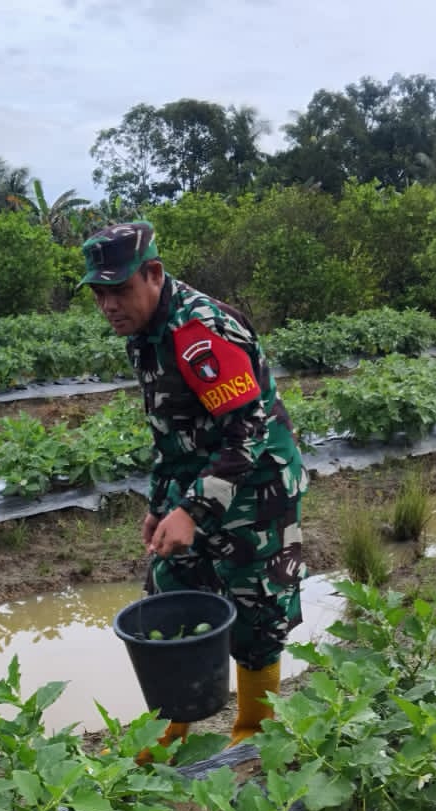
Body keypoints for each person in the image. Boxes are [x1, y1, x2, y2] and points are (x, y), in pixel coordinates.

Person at [80, 220, 306, 750]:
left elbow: (247, 430)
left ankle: (253, 735)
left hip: (258, 489)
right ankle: (171, 730)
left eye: (120, 290)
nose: (109, 304)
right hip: (199, 484)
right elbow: (172, 432)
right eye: (99, 294)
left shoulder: (199, 330)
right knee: (171, 593)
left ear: (153, 274)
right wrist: (162, 506)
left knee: (257, 614)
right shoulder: (143, 331)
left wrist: (194, 512)